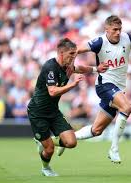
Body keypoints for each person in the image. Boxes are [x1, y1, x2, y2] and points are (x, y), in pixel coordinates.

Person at [58, 15, 131, 164]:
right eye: (114, 30)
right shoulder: (99, 42)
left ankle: (65, 140)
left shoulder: (127, 38)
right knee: (127, 107)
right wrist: (69, 65)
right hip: (104, 85)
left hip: (119, 88)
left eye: (120, 29)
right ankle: (114, 149)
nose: (118, 32)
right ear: (107, 30)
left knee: (96, 130)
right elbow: (77, 49)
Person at [27, 38, 108, 176]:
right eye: (71, 54)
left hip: (53, 111)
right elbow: (52, 91)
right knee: (50, 150)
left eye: (75, 53)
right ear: (61, 53)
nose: (74, 56)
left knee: (71, 142)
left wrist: (96, 69)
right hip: (37, 112)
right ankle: (46, 168)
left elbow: (80, 68)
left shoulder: (68, 66)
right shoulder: (50, 67)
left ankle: (44, 142)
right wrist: (72, 85)